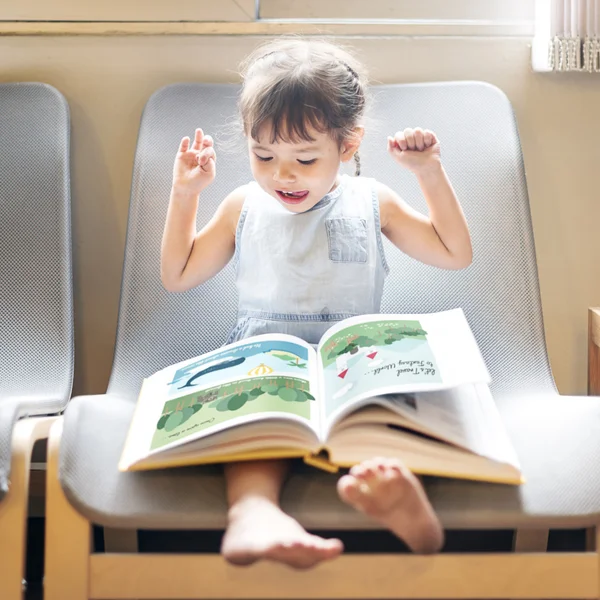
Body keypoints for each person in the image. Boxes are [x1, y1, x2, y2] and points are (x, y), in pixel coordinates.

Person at [161, 38, 472, 569]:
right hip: (267, 355)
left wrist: (428, 172)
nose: (283, 174)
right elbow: (178, 274)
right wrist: (185, 192)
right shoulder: (243, 204)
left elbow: (454, 253)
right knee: (253, 423)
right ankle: (254, 513)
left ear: (347, 146)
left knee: (385, 415)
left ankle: (397, 494)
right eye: (265, 156)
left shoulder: (373, 200)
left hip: (354, 357)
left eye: (305, 158)